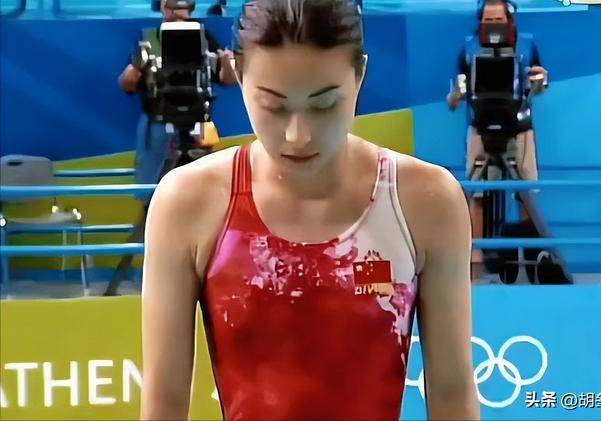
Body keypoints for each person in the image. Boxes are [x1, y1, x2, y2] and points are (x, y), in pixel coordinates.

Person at [141, 0, 479, 419]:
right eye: (274, 106)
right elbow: (164, 401)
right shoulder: (188, 202)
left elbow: (452, 392)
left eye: (324, 105)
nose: (297, 136)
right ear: (238, 75)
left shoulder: (425, 201)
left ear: (359, 76)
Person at [107, 0, 235, 296]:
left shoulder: (205, 37)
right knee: (152, 202)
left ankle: (204, 273)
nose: (177, 11)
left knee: (204, 201)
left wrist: (228, 61)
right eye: (170, 5)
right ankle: (151, 275)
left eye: (183, 5)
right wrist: (136, 67)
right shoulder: (150, 39)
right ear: (161, 8)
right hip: (158, 127)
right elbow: (126, 84)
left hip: (198, 127)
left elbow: (227, 79)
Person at [447, 0, 548, 279]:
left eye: (498, 20)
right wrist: (456, 95)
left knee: (525, 192)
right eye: (488, 21)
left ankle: (532, 259)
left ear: (510, 20)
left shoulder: (527, 45)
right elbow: (454, 95)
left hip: (520, 128)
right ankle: (476, 259)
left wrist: (541, 81)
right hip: (480, 129)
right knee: (478, 194)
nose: (493, 26)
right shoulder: (468, 48)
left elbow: (540, 85)